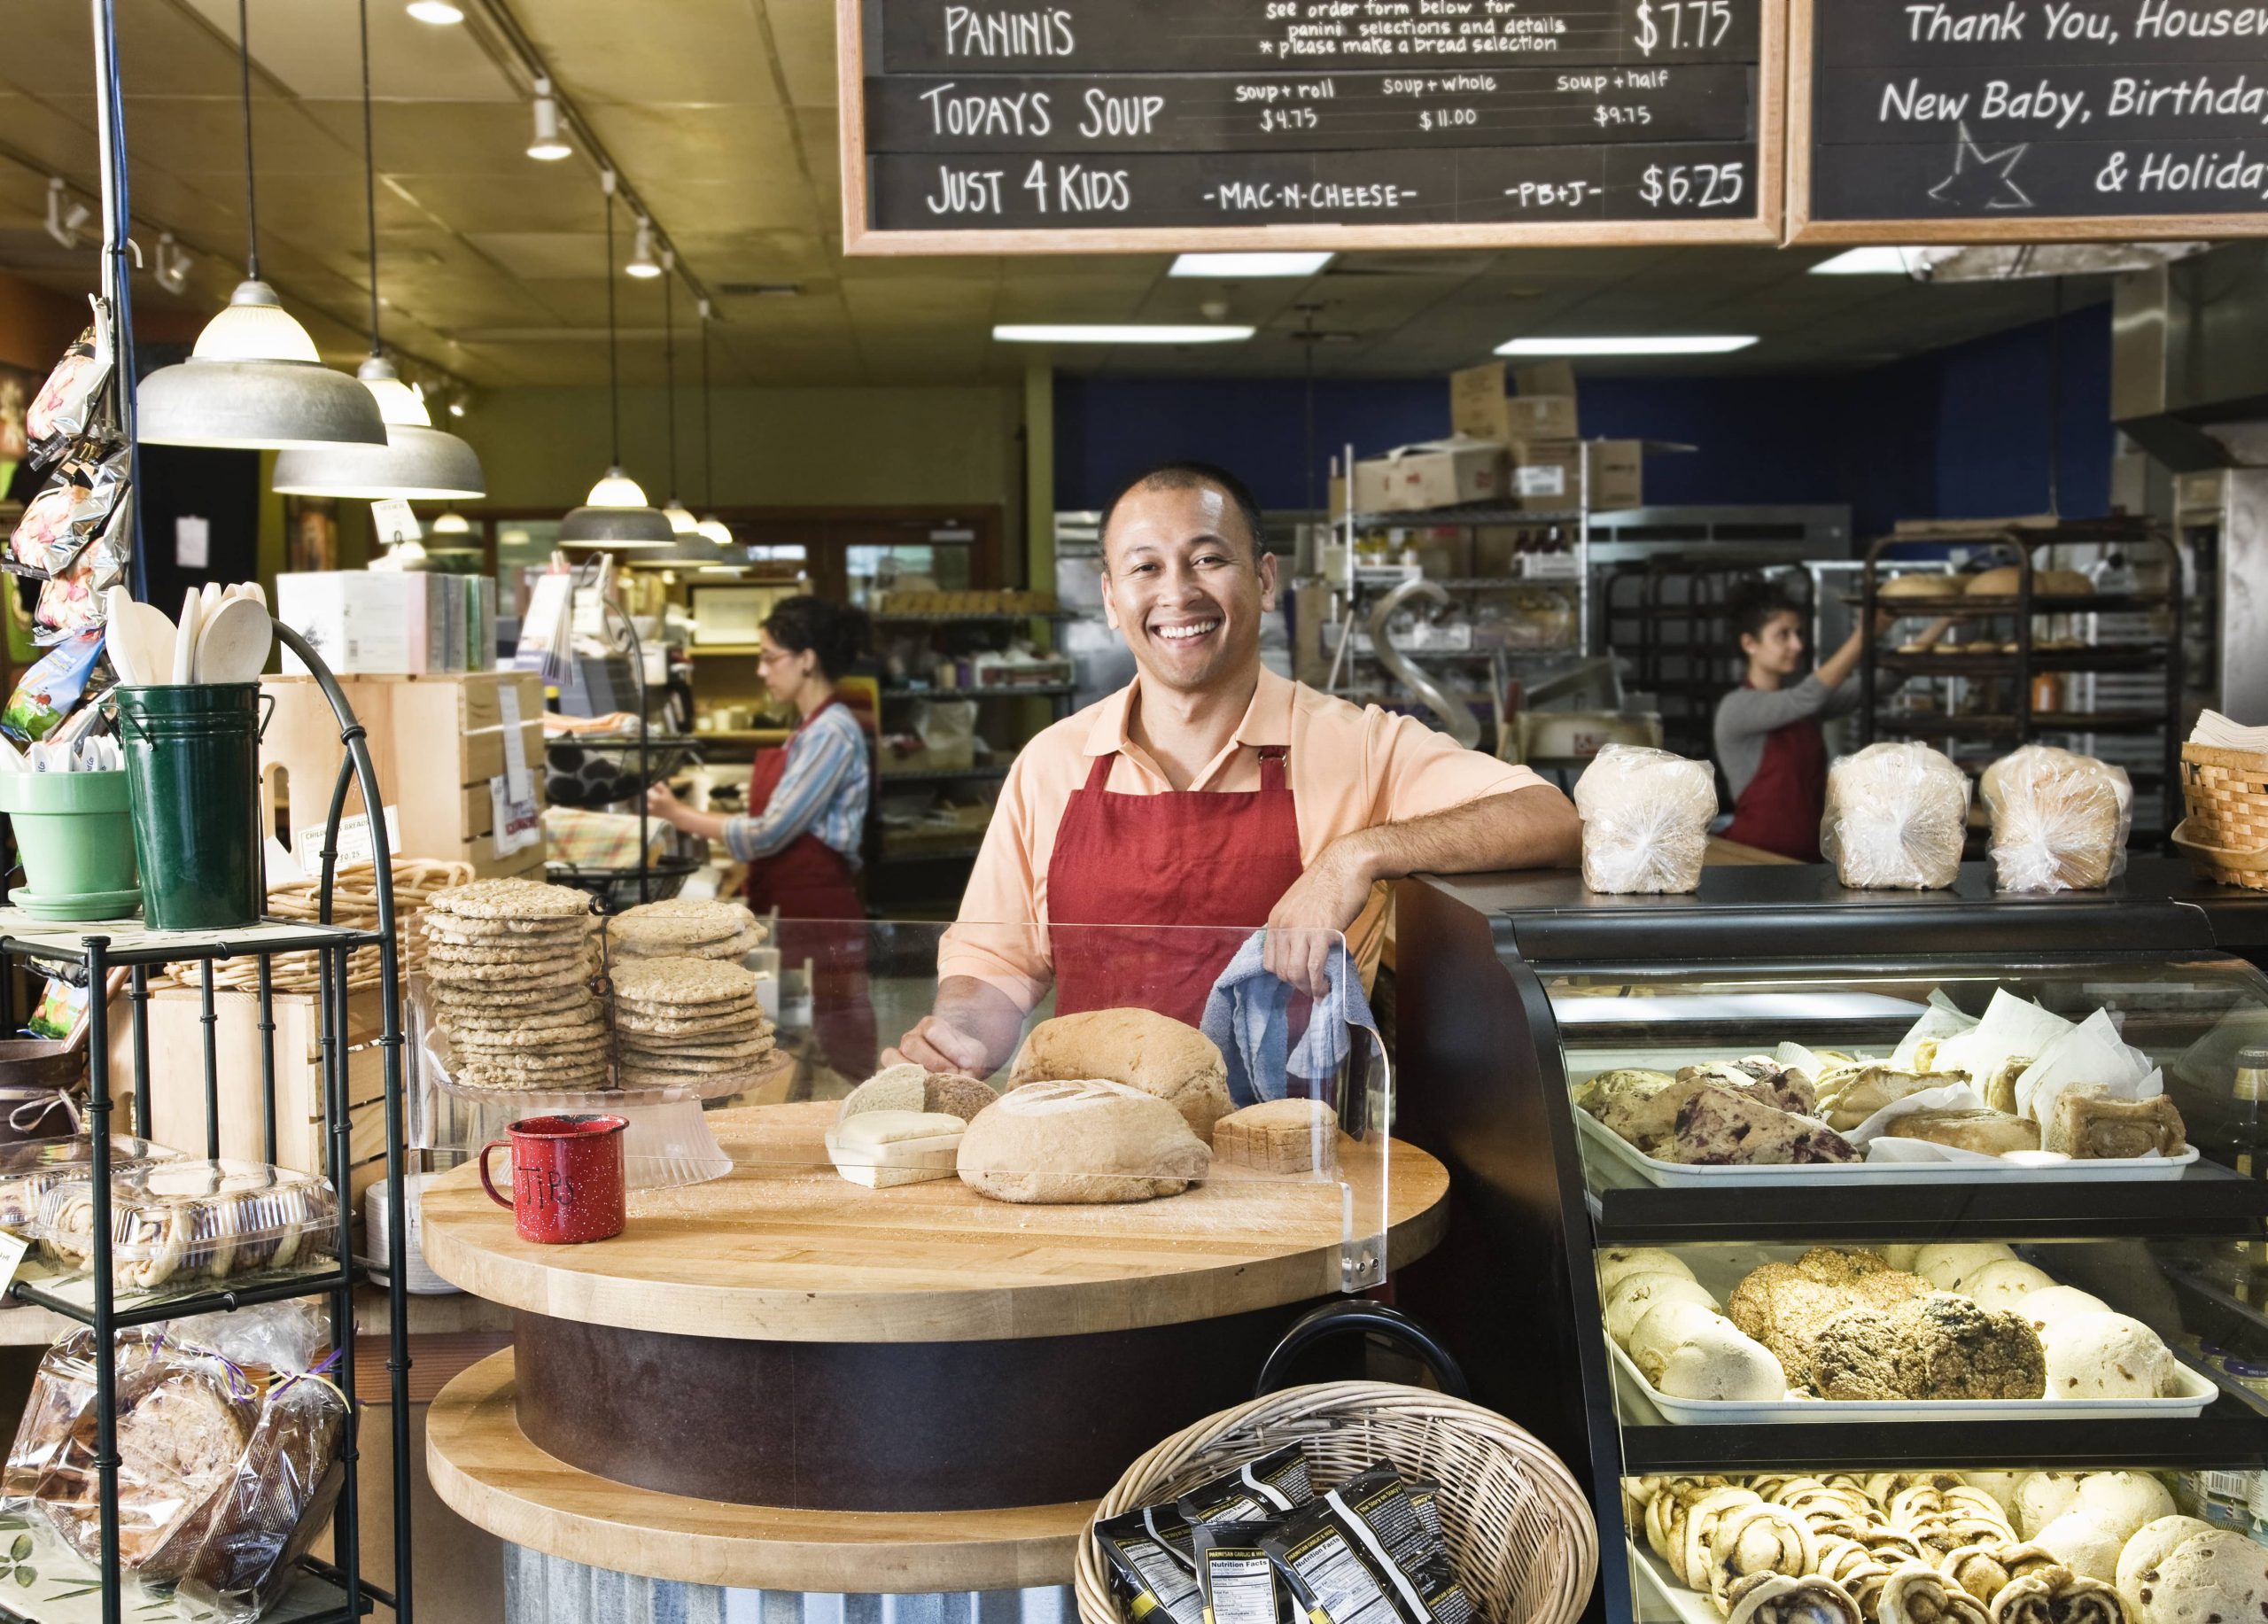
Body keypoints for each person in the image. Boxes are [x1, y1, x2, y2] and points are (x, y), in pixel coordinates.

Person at [888, 460, 1581, 1076]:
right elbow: (995, 968)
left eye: (1208, 559)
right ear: (1110, 599)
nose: (1177, 592)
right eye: (1145, 567)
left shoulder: (1359, 747)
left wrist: (1356, 856)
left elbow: (1550, 816)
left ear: (1265, 577)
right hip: (1096, 1152)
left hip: (1287, 1160)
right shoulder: (1053, 763)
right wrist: (962, 1037)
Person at [647, 594, 876, 1074]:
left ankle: (855, 1129)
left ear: (807, 659)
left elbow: (770, 833)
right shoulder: (808, 728)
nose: (761, 670)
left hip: (820, 906)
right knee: (809, 1030)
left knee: (839, 1031)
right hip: (798, 903)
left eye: (770, 657)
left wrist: (680, 814)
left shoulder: (829, 733)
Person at [1713, 581, 1951, 861]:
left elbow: (1884, 681)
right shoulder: (1737, 708)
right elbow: (1808, 696)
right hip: (1753, 860)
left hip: (1807, 861)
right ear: (1749, 643)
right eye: (1783, 635)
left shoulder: (1803, 706)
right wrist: (1866, 633)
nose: (1797, 644)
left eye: (1798, 633)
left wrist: (1943, 622)